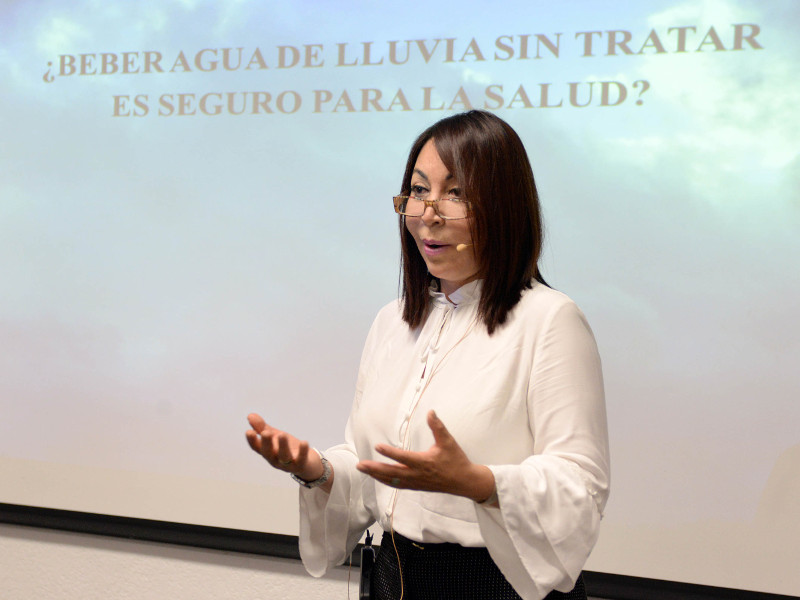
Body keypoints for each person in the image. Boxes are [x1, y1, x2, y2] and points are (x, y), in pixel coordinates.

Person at [245, 110, 610, 600]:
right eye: (418, 191)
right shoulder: (393, 321)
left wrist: (479, 483)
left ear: (503, 207)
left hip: (493, 587)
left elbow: (579, 484)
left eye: (456, 194)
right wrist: (318, 471)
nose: (428, 214)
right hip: (394, 581)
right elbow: (373, 469)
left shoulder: (549, 321)